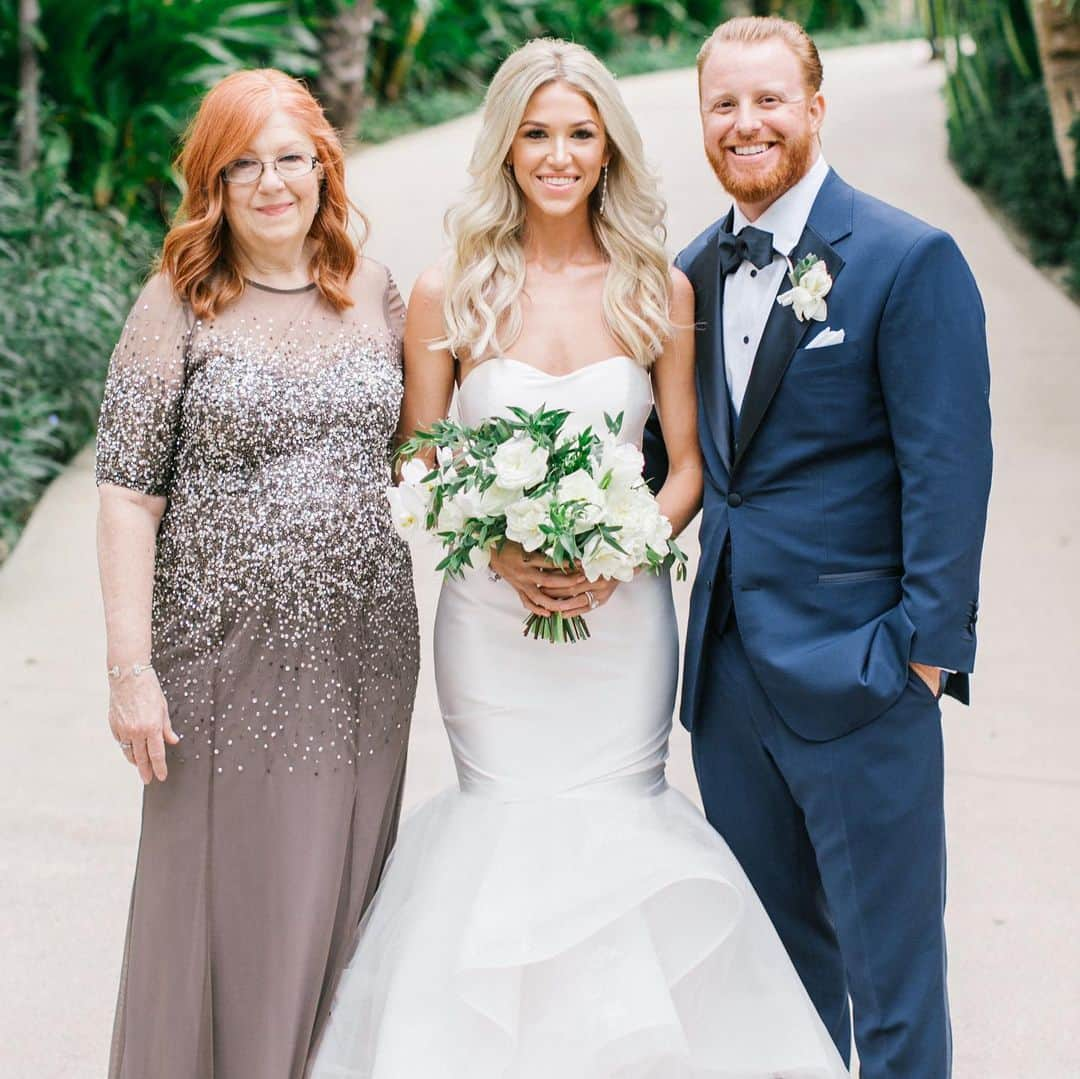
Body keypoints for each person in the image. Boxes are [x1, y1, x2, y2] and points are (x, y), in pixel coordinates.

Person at [312, 39, 847, 1078]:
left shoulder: (659, 288)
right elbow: (420, 454)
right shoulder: (447, 290)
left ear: (609, 149)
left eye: (579, 135)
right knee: (503, 827)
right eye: (537, 134)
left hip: (623, 623)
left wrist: (626, 543)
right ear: (507, 147)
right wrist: (498, 546)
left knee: (616, 828)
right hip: (488, 623)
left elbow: (685, 465)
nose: (558, 156)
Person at [644, 16, 993, 1078]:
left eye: (768, 100)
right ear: (702, 119)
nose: (746, 124)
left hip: (865, 676)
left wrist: (922, 657)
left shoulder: (906, 259)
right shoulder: (689, 276)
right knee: (776, 985)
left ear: (815, 108)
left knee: (892, 987)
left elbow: (949, 470)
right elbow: (659, 456)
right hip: (731, 685)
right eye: (724, 104)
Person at [95, 69, 419, 1079]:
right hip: (220, 665)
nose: (272, 182)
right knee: (224, 901)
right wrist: (129, 670)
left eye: (290, 158)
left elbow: (417, 461)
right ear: (215, 185)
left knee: (339, 888)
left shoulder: (374, 285)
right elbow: (125, 492)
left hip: (365, 654)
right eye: (245, 165)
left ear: (323, 166)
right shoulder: (176, 302)